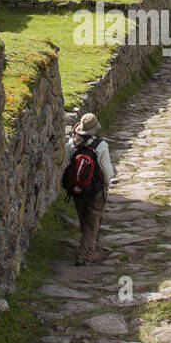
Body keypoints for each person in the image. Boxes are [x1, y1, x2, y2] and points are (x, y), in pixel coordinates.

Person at [63, 112, 114, 265]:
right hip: (95, 190)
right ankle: (84, 257)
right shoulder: (100, 146)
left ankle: (87, 247)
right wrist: (106, 185)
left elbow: (67, 163)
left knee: (84, 219)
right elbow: (106, 171)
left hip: (78, 189)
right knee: (93, 222)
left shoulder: (72, 144)